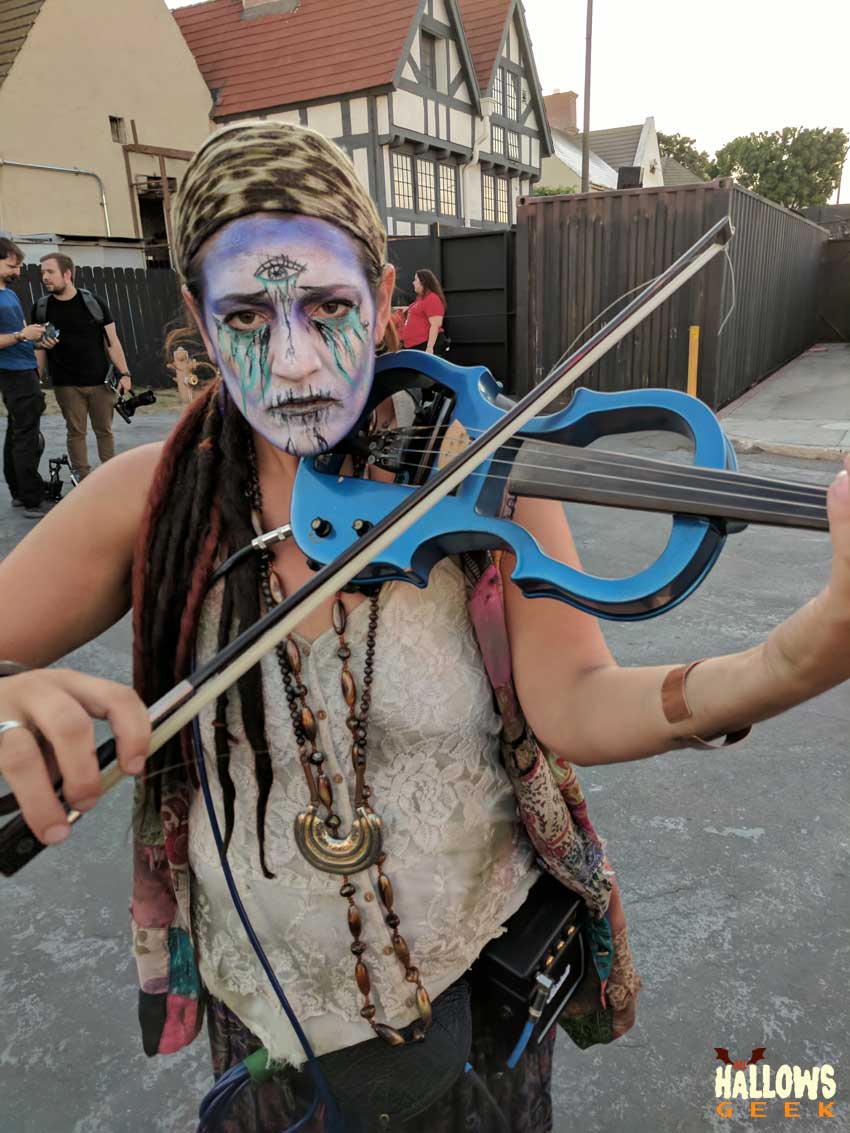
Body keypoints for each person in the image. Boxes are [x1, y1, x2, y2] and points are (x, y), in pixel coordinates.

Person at [0, 122, 849, 1131]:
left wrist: (789, 660)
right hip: (269, 1019)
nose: (295, 363)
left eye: (329, 307)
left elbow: (577, 702)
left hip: (475, 1001)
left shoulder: (486, 470)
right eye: (246, 317)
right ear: (194, 313)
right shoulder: (147, 499)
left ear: (385, 292)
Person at [33, 253, 133, 479]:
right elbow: (39, 348)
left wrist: (125, 374)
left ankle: (110, 475)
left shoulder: (94, 303)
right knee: (76, 432)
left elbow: (112, 341)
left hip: (101, 382)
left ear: (67, 274)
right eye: (43, 273)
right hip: (66, 384)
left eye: (50, 272)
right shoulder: (41, 308)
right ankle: (83, 478)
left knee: (104, 431)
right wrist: (35, 381)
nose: (45, 277)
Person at [0, 236, 48, 519]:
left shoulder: (9, 294)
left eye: (18, 266)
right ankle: (32, 499)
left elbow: (21, 331)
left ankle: (19, 492)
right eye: (11, 265)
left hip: (25, 366)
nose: (17, 271)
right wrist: (21, 335)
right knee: (27, 435)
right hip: (12, 372)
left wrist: (39, 339)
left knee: (16, 430)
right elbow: (15, 334)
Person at [400, 269, 446, 354]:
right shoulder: (421, 299)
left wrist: (430, 348)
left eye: (415, 280)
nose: (413, 283)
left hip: (424, 346)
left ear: (423, 282)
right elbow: (419, 310)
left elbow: (435, 325)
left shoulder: (432, 298)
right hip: (414, 346)